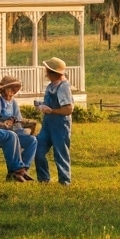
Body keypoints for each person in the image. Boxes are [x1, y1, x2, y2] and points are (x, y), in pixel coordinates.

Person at [0, 74, 38, 170]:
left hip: (14, 133)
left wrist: (26, 123)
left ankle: (23, 168)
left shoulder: (13, 103)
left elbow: (19, 121)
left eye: (15, 89)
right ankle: (17, 170)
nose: (13, 91)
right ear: (3, 89)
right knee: (13, 138)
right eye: (11, 88)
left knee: (32, 141)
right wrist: (4, 125)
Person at [35, 57, 74, 185]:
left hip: (60, 124)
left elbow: (68, 109)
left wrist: (52, 110)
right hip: (47, 124)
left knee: (60, 153)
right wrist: (41, 105)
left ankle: (64, 181)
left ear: (53, 73)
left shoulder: (63, 87)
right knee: (38, 150)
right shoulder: (51, 86)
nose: (46, 74)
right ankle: (43, 179)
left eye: (47, 71)